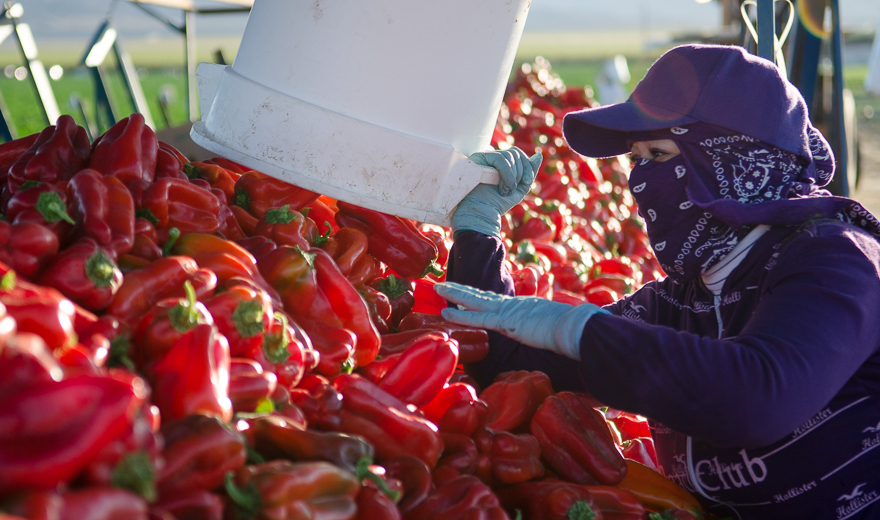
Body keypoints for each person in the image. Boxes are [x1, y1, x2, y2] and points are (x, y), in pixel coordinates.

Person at [436, 44, 880, 520]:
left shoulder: (838, 260)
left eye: (660, 153)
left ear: (728, 158)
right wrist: (478, 231)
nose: (642, 178)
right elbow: (507, 363)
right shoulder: (682, 301)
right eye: (637, 158)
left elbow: (760, 398)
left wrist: (583, 331)